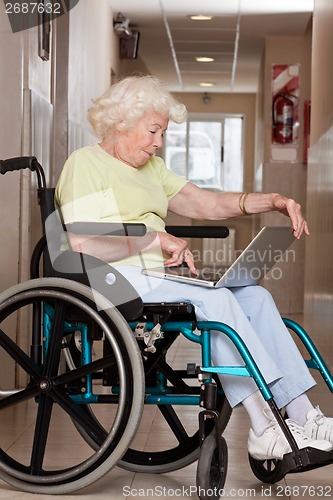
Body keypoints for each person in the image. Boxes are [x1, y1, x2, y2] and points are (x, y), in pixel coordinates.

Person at [55, 74, 333, 461]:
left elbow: (207, 204)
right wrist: (154, 239)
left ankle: (304, 412)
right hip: (116, 277)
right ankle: (262, 425)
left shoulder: (151, 169)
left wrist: (271, 200)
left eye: (163, 133)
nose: (158, 142)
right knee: (217, 302)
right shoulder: (86, 164)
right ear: (120, 121)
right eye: (153, 130)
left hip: (158, 276)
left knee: (255, 296)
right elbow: (85, 242)